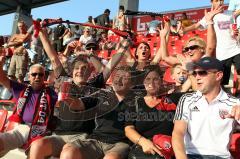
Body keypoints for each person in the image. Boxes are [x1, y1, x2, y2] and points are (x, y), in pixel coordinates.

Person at [58, 66, 135, 159]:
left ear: (131, 84)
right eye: (117, 76)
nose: (119, 80)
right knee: (68, 152)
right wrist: (66, 97)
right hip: (96, 140)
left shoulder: (136, 101)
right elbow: (78, 104)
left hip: (119, 143)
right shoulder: (101, 94)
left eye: (124, 78)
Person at [172, 57, 240, 159]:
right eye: (195, 73)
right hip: (191, 155)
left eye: (202, 73)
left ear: (218, 75)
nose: (197, 77)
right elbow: (178, 133)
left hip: (221, 157)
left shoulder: (235, 103)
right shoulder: (186, 99)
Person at [0, 52, 57, 157]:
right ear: (29, 77)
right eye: (34, 74)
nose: (37, 77)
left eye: (40, 75)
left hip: (42, 130)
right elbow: (2, 79)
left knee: (36, 150)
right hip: (23, 128)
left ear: (44, 77)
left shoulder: (52, 93)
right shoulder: (21, 89)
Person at [180, 0, 240, 94]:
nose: (220, 3)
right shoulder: (209, 15)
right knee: (223, 81)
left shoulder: (230, 13)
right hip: (223, 54)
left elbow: (232, 29)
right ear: (211, 2)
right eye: (216, 0)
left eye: (221, 0)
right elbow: (197, 25)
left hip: (236, 49)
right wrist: (185, 30)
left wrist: (234, 33)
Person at [125, 65, 181, 159]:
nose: (151, 83)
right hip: (143, 149)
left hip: (167, 148)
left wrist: (190, 71)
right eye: (147, 79)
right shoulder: (135, 103)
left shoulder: (172, 99)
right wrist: (143, 142)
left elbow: (197, 92)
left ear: (161, 81)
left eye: (155, 79)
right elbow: (128, 129)